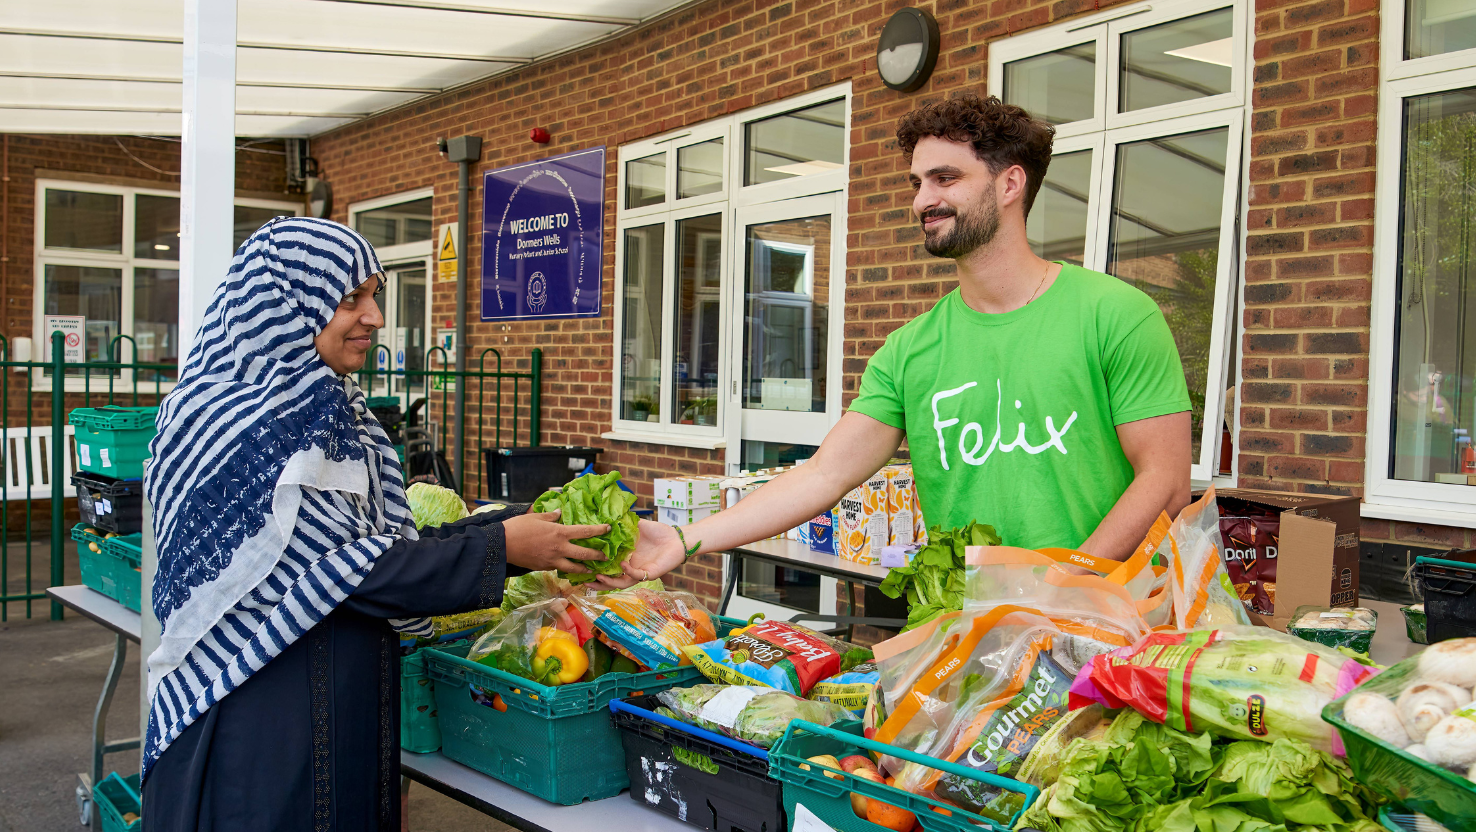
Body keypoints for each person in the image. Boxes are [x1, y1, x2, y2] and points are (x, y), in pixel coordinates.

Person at [141, 218, 612, 831]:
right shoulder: (237, 418)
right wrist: (503, 545)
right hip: (261, 719)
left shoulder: (332, 411)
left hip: (330, 705)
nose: (374, 317)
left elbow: (370, 549)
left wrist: (517, 533)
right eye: (348, 299)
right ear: (288, 304)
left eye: (374, 295)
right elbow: (350, 571)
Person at [612, 94, 1192, 587]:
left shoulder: (1115, 315)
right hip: (971, 636)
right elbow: (822, 475)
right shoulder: (911, 348)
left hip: (1104, 631)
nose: (922, 200)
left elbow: (1164, 482)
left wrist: (1063, 588)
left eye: (946, 178)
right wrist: (686, 538)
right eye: (918, 182)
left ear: (1010, 182)